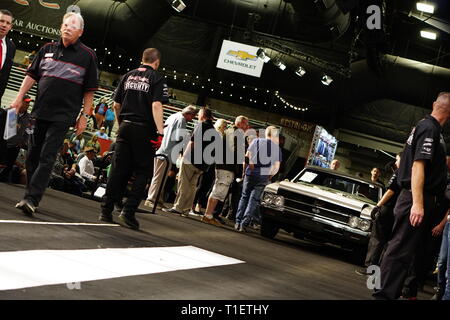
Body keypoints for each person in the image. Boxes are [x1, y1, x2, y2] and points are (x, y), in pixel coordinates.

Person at [11, 12, 98, 216]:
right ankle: (31, 193)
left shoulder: (88, 55)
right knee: (32, 154)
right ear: (61, 27)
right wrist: (18, 97)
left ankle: (31, 199)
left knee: (47, 155)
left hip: (63, 117)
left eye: (72, 25)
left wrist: (84, 117)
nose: (67, 28)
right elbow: (32, 76)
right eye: (65, 24)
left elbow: (89, 91)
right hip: (37, 113)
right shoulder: (47, 49)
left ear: (80, 32)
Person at [373, 92, 450, 300]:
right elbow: (417, 166)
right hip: (415, 198)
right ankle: (383, 295)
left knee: (405, 250)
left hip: (419, 198)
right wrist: (417, 203)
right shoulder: (430, 128)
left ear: (434, 104)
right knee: (400, 248)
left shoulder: (428, 127)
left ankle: (388, 292)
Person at [99, 48, 167, 230]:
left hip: (125, 126)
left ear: (142, 59)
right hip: (144, 129)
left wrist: (121, 123)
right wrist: (160, 132)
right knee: (144, 171)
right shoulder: (157, 78)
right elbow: (156, 104)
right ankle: (128, 211)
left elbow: (115, 104)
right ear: (157, 62)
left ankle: (106, 210)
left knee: (118, 169)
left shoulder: (128, 76)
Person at [163, 106, 215, 216]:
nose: (198, 116)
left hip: (191, 160)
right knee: (192, 187)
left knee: (183, 184)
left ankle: (178, 207)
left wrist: (184, 157)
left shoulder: (201, 126)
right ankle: (186, 209)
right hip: (202, 164)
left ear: (203, 115)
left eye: (199, 114)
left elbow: (192, 143)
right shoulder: (214, 130)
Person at [355, 153, 401, 276]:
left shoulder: (399, 173)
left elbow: (391, 190)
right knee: (386, 241)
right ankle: (380, 268)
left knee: (376, 239)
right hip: (396, 210)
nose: (395, 163)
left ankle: (370, 268)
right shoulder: (408, 172)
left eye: (397, 160)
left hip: (387, 209)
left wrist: (378, 206)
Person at [144, 105, 197, 210]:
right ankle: (151, 199)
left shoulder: (173, 116)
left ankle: (158, 200)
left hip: (163, 150)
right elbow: (178, 137)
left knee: (161, 178)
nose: (192, 119)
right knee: (159, 178)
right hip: (166, 152)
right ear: (188, 114)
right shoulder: (181, 120)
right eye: (192, 117)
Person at [202, 116, 249, 226]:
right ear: (241, 124)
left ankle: (208, 214)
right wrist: (248, 159)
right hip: (227, 167)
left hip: (222, 165)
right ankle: (208, 215)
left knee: (217, 189)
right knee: (218, 191)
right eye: (246, 125)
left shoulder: (229, 132)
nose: (247, 127)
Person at [235, 126, 282, 232]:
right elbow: (276, 167)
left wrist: (244, 172)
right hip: (263, 175)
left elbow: (246, 158)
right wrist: (270, 175)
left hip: (250, 172)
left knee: (244, 197)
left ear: (266, 133)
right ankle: (244, 224)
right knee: (254, 200)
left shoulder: (256, 141)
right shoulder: (276, 148)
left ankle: (237, 222)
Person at [0, 95, 32, 182]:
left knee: (7, 169)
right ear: (20, 102)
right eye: (26, 102)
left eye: (29, 103)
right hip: (4, 145)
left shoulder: (29, 118)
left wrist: (22, 142)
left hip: (15, 146)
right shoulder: (10, 112)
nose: (28, 105)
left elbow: (29, 131)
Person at [0, 9, 15, 105]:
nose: (4, 25)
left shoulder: (11, 47)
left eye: (8, 23)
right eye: (1, 21)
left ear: (10, 26)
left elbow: (5, 76)